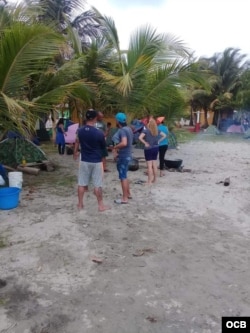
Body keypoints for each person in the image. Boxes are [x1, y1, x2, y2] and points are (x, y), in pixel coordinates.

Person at [73, 109, 110, 212]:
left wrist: (75, 152)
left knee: (81, 183)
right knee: (97, 184)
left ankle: (80, 204)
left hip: (84, 159)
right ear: (95, 118)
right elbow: (103, 147)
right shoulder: (99, 133)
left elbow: (77, 141)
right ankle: (100, 205)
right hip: (96, 160)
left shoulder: (80, 131)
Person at [112, 112, 133, 204]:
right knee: (125, 175)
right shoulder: (128, 129)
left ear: (117, 120)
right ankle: (128, 193)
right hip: (128, 155)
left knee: (123, 177)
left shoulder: (123, 130)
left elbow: (124, 143)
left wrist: (115, 148)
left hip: (124, 156)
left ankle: (124, 198)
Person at [139, 117, 166, 184]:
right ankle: (155, 180)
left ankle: (149, 181)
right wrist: (159, 141)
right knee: (154, 165)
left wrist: (145, 143)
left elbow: (140, 137)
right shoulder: (157, 130)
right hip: (155, 148)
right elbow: (164, 135)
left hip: (148, 149)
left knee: (149, 166)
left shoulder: (146, 131)